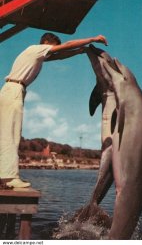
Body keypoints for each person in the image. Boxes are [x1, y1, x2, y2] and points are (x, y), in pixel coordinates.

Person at [0, 32, 107, 188]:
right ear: (46, 43)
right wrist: (92, 39)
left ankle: (4, 176)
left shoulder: (35, 54)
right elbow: (66, 46)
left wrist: (80, 51)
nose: (54, 51)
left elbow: (59, 56)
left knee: (6, 133)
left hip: (11, 90)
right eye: (53, 47)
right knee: (11, 134)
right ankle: (9, 177)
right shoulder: (36, 49)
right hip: (14, 90)